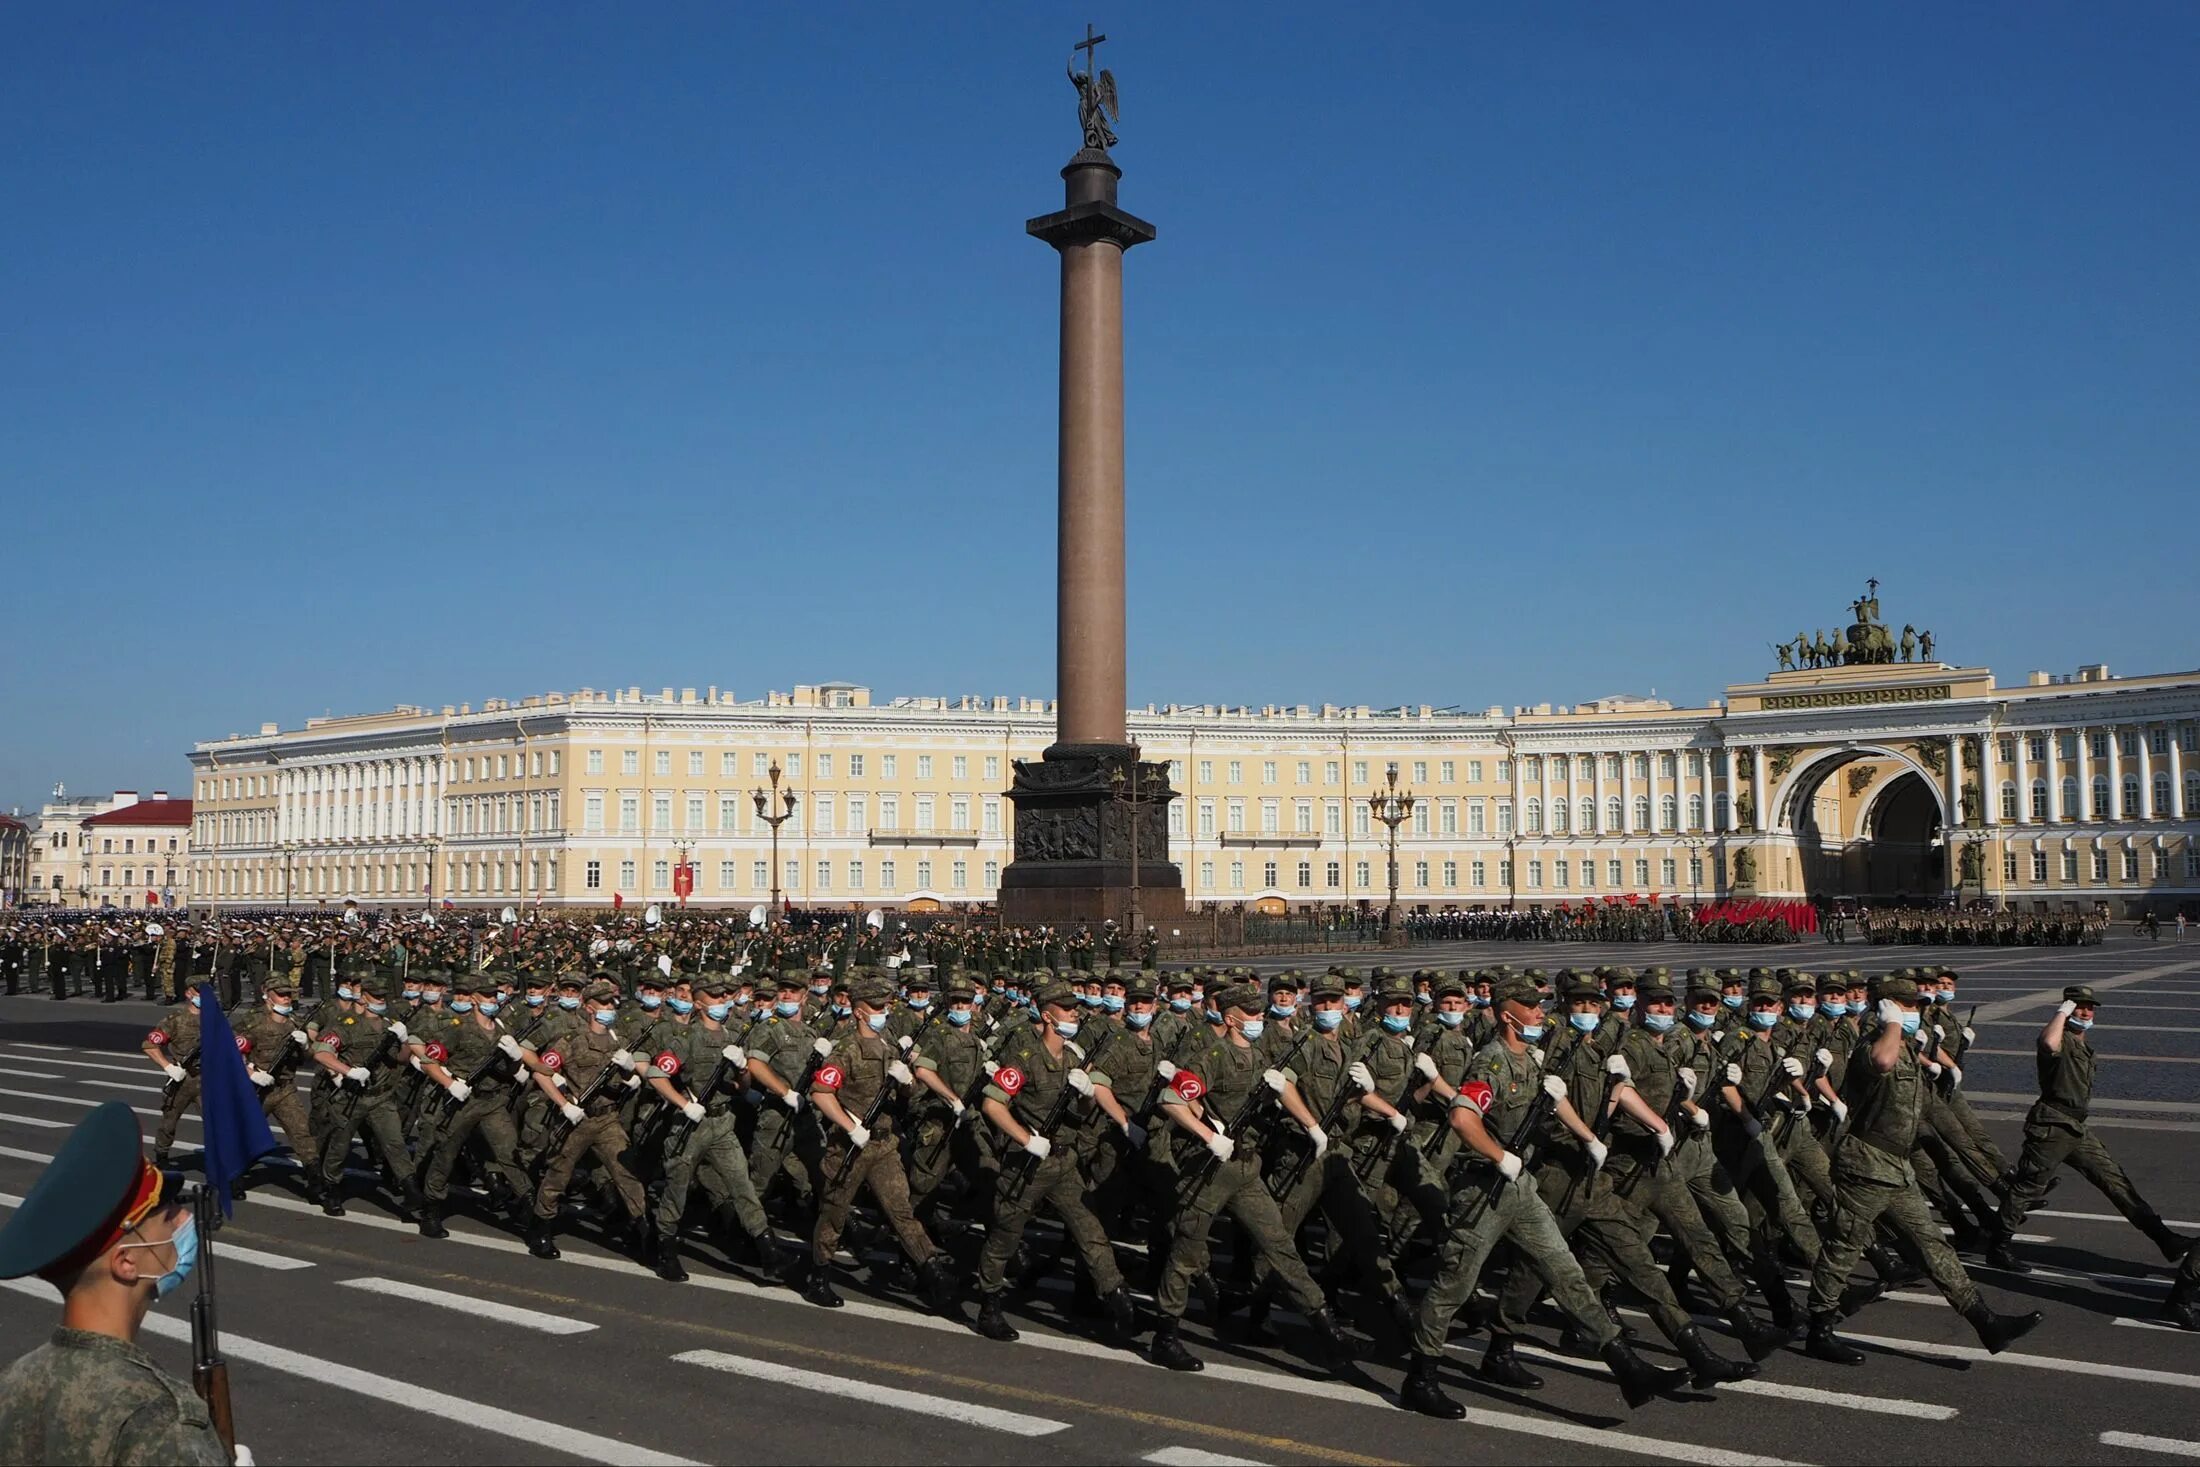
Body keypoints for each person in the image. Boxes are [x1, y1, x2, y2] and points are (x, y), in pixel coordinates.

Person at [1803, 975, 2042, 1363]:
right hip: (1865, 1166)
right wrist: (1892, 1021)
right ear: (1889, 1008)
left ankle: (1985, 1321)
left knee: (1932, 1243)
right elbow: (1882, 1060)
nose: (1916, 1013)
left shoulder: (1908, 1052)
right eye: (1908, 1006)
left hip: (1896, 1167)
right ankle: (1819, 1329)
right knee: (1844, 1247)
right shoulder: (1872, 1047)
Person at [0, 1101, 238, 1465]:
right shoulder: (159, 1418)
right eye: (168, 1216)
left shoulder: (13, 1383)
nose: (184, 1220)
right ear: (126, 1263)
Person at [1991, 986, 2191, 1270]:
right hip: (2052, 1126)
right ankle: (1998, 1246)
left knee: (2116, 1182)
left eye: (2089, 1007)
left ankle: (2166, 1240)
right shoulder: (2060, 1039)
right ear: (2068, 1010)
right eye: (2079, 1007)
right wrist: (2061, 1012)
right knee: (2028, 1187)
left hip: (2076, 1128)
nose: (2085, 1012)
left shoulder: (2082, 1045)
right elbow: (2048, 1043)